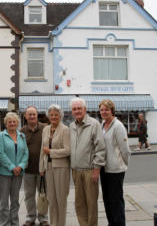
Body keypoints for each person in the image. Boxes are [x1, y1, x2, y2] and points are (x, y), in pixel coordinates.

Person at [69, 97, 105, 226]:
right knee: (79, 203)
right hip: (76, 171)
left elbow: (100, 148)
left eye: (79, 108)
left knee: (91, 203)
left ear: (85, 109)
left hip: (90, 171)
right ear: (71, 111)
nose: (77, 111)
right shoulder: (72, 126)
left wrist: (96, 169)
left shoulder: (94, 124)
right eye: (74, 109)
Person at [99, 99, 131, 226]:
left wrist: (122, 164)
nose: (104, 112)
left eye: (106, 109)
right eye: (101, 110)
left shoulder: (118, 126)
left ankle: (119, 223)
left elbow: (125, 150)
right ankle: (111, 223)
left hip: (115, 170)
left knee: (116, 200)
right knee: (107, 199)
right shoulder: (102, 124)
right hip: (104, 169)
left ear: (112, 110)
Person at [39, 104, 70, 226]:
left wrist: (51, 152)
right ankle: (53, 223)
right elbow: (43, 148)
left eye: (56, 115)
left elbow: (68, 150)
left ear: (60, 116)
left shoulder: (65, 130)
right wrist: (41, 167)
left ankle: (61, 223)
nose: (53, 117)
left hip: (61, 167)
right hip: (48, 167)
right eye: (51, 115)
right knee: (51, 199)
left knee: (61, 199)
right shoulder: (46, 129)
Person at [0, 112, 29, 226]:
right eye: (10, 121)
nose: (12, 123)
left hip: (18, 173)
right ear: (6, 123)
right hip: (4, 173)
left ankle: (15, 222)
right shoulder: (1, 136)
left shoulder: (21, 136)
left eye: (14, 121)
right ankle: (4, 223)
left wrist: (20, 166)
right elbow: (0, 153)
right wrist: (12, 167)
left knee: (15, 201)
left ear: (17, 123)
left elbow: (26, 153)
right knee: (4, 202)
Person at [20, 106, 49, 226]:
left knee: (43, 195)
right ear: (25, 116)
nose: (32, 116)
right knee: (29, 195)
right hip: (28, 170)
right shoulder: (22, 131)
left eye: (34, 114)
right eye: (29, 114)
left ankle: (43, 218)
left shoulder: (45, 128)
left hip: (43, 169)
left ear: (37, 115)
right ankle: (30, 217)